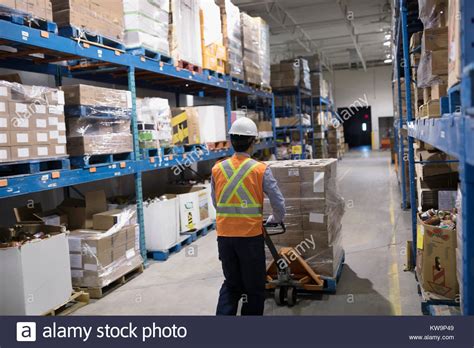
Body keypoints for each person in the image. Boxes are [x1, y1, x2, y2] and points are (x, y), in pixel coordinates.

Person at [211, 117, 285, 316]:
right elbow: (278, 203)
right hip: (250, 239)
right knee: (253, 288)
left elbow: (216, 202)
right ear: (253, 142)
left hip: (224, 237)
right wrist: (276, 219)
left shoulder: (218, 169)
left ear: (231, 141)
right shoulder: (260, 169)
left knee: (232, 284)